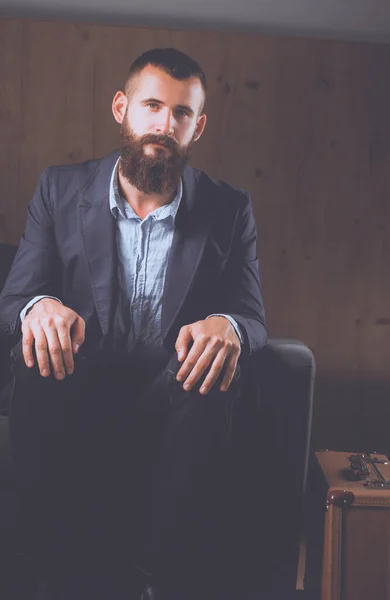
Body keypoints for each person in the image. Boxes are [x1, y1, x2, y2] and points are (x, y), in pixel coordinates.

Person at [0, 48, 267, 600]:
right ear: (121, 108)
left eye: (181, 114)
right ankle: (41, 575)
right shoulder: (58, 189)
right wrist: (38, 307)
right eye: (151, 106)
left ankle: (162, 581)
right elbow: (15, 297)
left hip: (174, 394)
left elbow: (253, 316)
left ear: (198, 126)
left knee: (215, 377)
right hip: (79, 383)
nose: (164, 126)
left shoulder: (229, 209)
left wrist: (231, 324)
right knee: (34, 359)